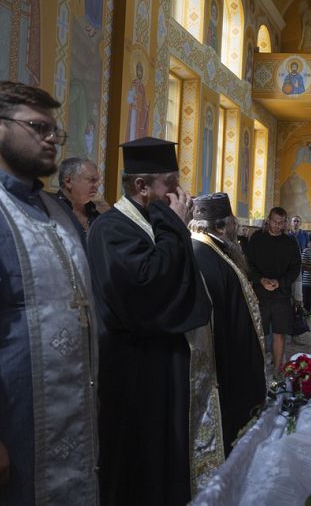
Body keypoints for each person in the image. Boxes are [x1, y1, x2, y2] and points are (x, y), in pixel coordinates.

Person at [0, 81, 99, 503]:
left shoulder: (51, 208)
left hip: (65, 418)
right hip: (7, 422)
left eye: (55, 133)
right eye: (38, 128)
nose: (52, 141)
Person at [87, 137, 221, 504]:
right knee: (137, 464)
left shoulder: (152, 221)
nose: (181, 194)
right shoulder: (112, 228)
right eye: (171, 184)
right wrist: (174, 227)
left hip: (163, 363)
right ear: (141, 186)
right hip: (133, 368)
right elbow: (147, 289)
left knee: (165, 460)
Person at [189, 193, 267, 457]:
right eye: (233, 223)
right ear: (222, 226)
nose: (237, 228)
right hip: (225, 365)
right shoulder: (206, 254)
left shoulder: (210, 249)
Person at [246, 207, 301, 375]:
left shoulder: (291, 242)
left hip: (281, 295)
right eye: (275, 221)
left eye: (281, 223)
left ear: (285, 223)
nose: (277, 226)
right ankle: (258, 367)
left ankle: (277, 369)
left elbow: (295, 268)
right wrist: (261, 280)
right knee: (259, 333)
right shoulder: (256, 239)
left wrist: (280, 282)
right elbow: (248, 264)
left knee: (279, 333)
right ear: (268, 219)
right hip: (259, 294)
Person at [55, 156, 101, 234]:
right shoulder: (52, 209)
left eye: (97, 181)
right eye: (91, 180)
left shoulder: (97, 212)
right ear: (68, 182)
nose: (97, 185)